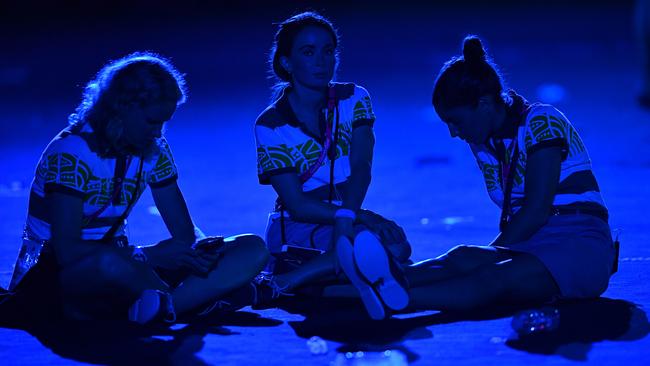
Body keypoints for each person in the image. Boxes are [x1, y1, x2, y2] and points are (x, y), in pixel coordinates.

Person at [339, 35, 616, 319]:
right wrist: (481, 257)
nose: (453, 133)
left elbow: (535, 211)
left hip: (579, 243)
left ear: (484, 104)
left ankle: (394, 299)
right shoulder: (485, 142)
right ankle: (353, 288)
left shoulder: (542, 120)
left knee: (488, 276)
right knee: (462, 257)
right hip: (536, 240)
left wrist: (489, 256)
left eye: (456, 121)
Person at [1, 52, 268, 325]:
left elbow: (184, 234)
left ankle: (169, 306)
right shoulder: (71, 152)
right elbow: (67, 250)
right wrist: (151, 255)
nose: (158, 131)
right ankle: (195, 300)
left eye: (165, 122)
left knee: (252, 247)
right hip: (59, 269)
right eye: (152, 121)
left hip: (129, 261)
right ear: (122, 107)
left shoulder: (155, 148)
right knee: (110, 264)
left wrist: (195, 253)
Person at [253, 12, 411, 308]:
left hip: (345, 211)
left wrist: (347, 217)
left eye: (328, 51)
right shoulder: (270, 124)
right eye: (308, 52)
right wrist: (356, 217)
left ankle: (299, 283)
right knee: (370, 243)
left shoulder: (355, 97)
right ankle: (287, 281)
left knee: (398, 246)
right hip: (297, 222)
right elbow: (297, 204)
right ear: (286, 62)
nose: (322, 61)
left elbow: (361, 169)